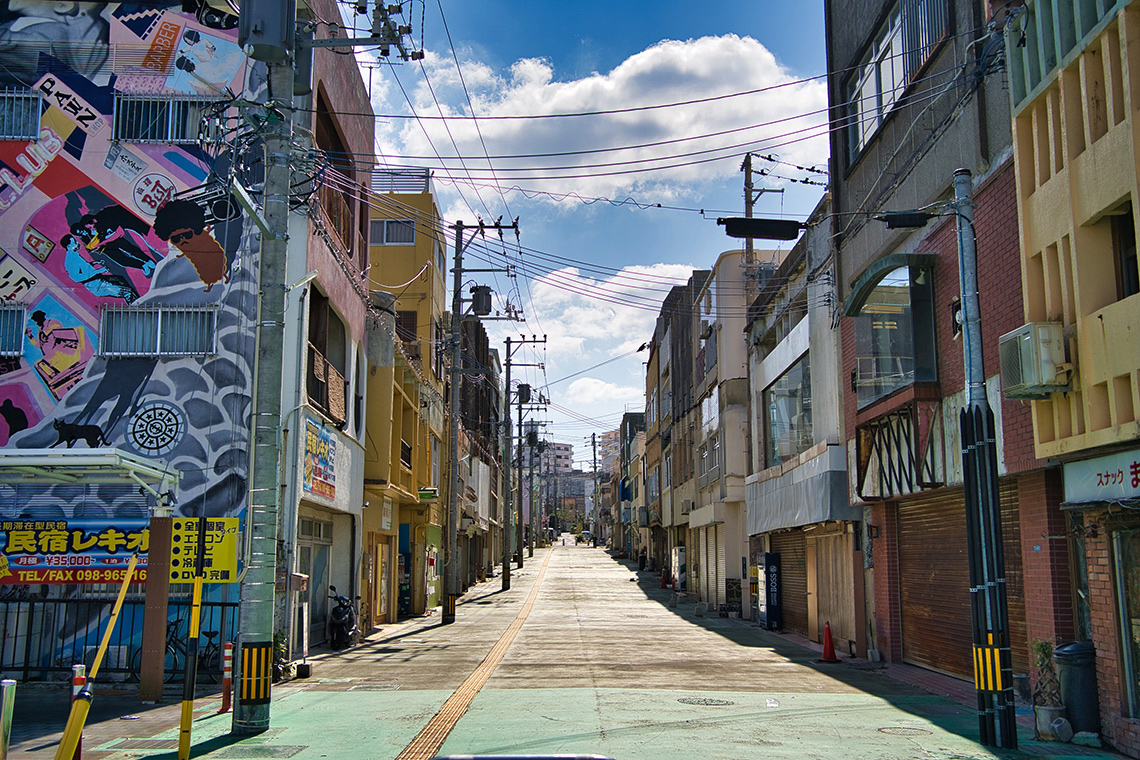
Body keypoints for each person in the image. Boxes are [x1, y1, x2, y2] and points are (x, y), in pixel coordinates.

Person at [60, 234, 137, 301]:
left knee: (120, 279)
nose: (77, 243)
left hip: (98, 280)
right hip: (97, 286)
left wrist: (94, 263)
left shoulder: (75, 255)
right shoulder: (70, 260)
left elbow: (82, 268)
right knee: (128, 293)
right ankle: (136, 307)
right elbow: (77, 278)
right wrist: (99, 271)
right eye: (74, 242)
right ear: (68, 246)